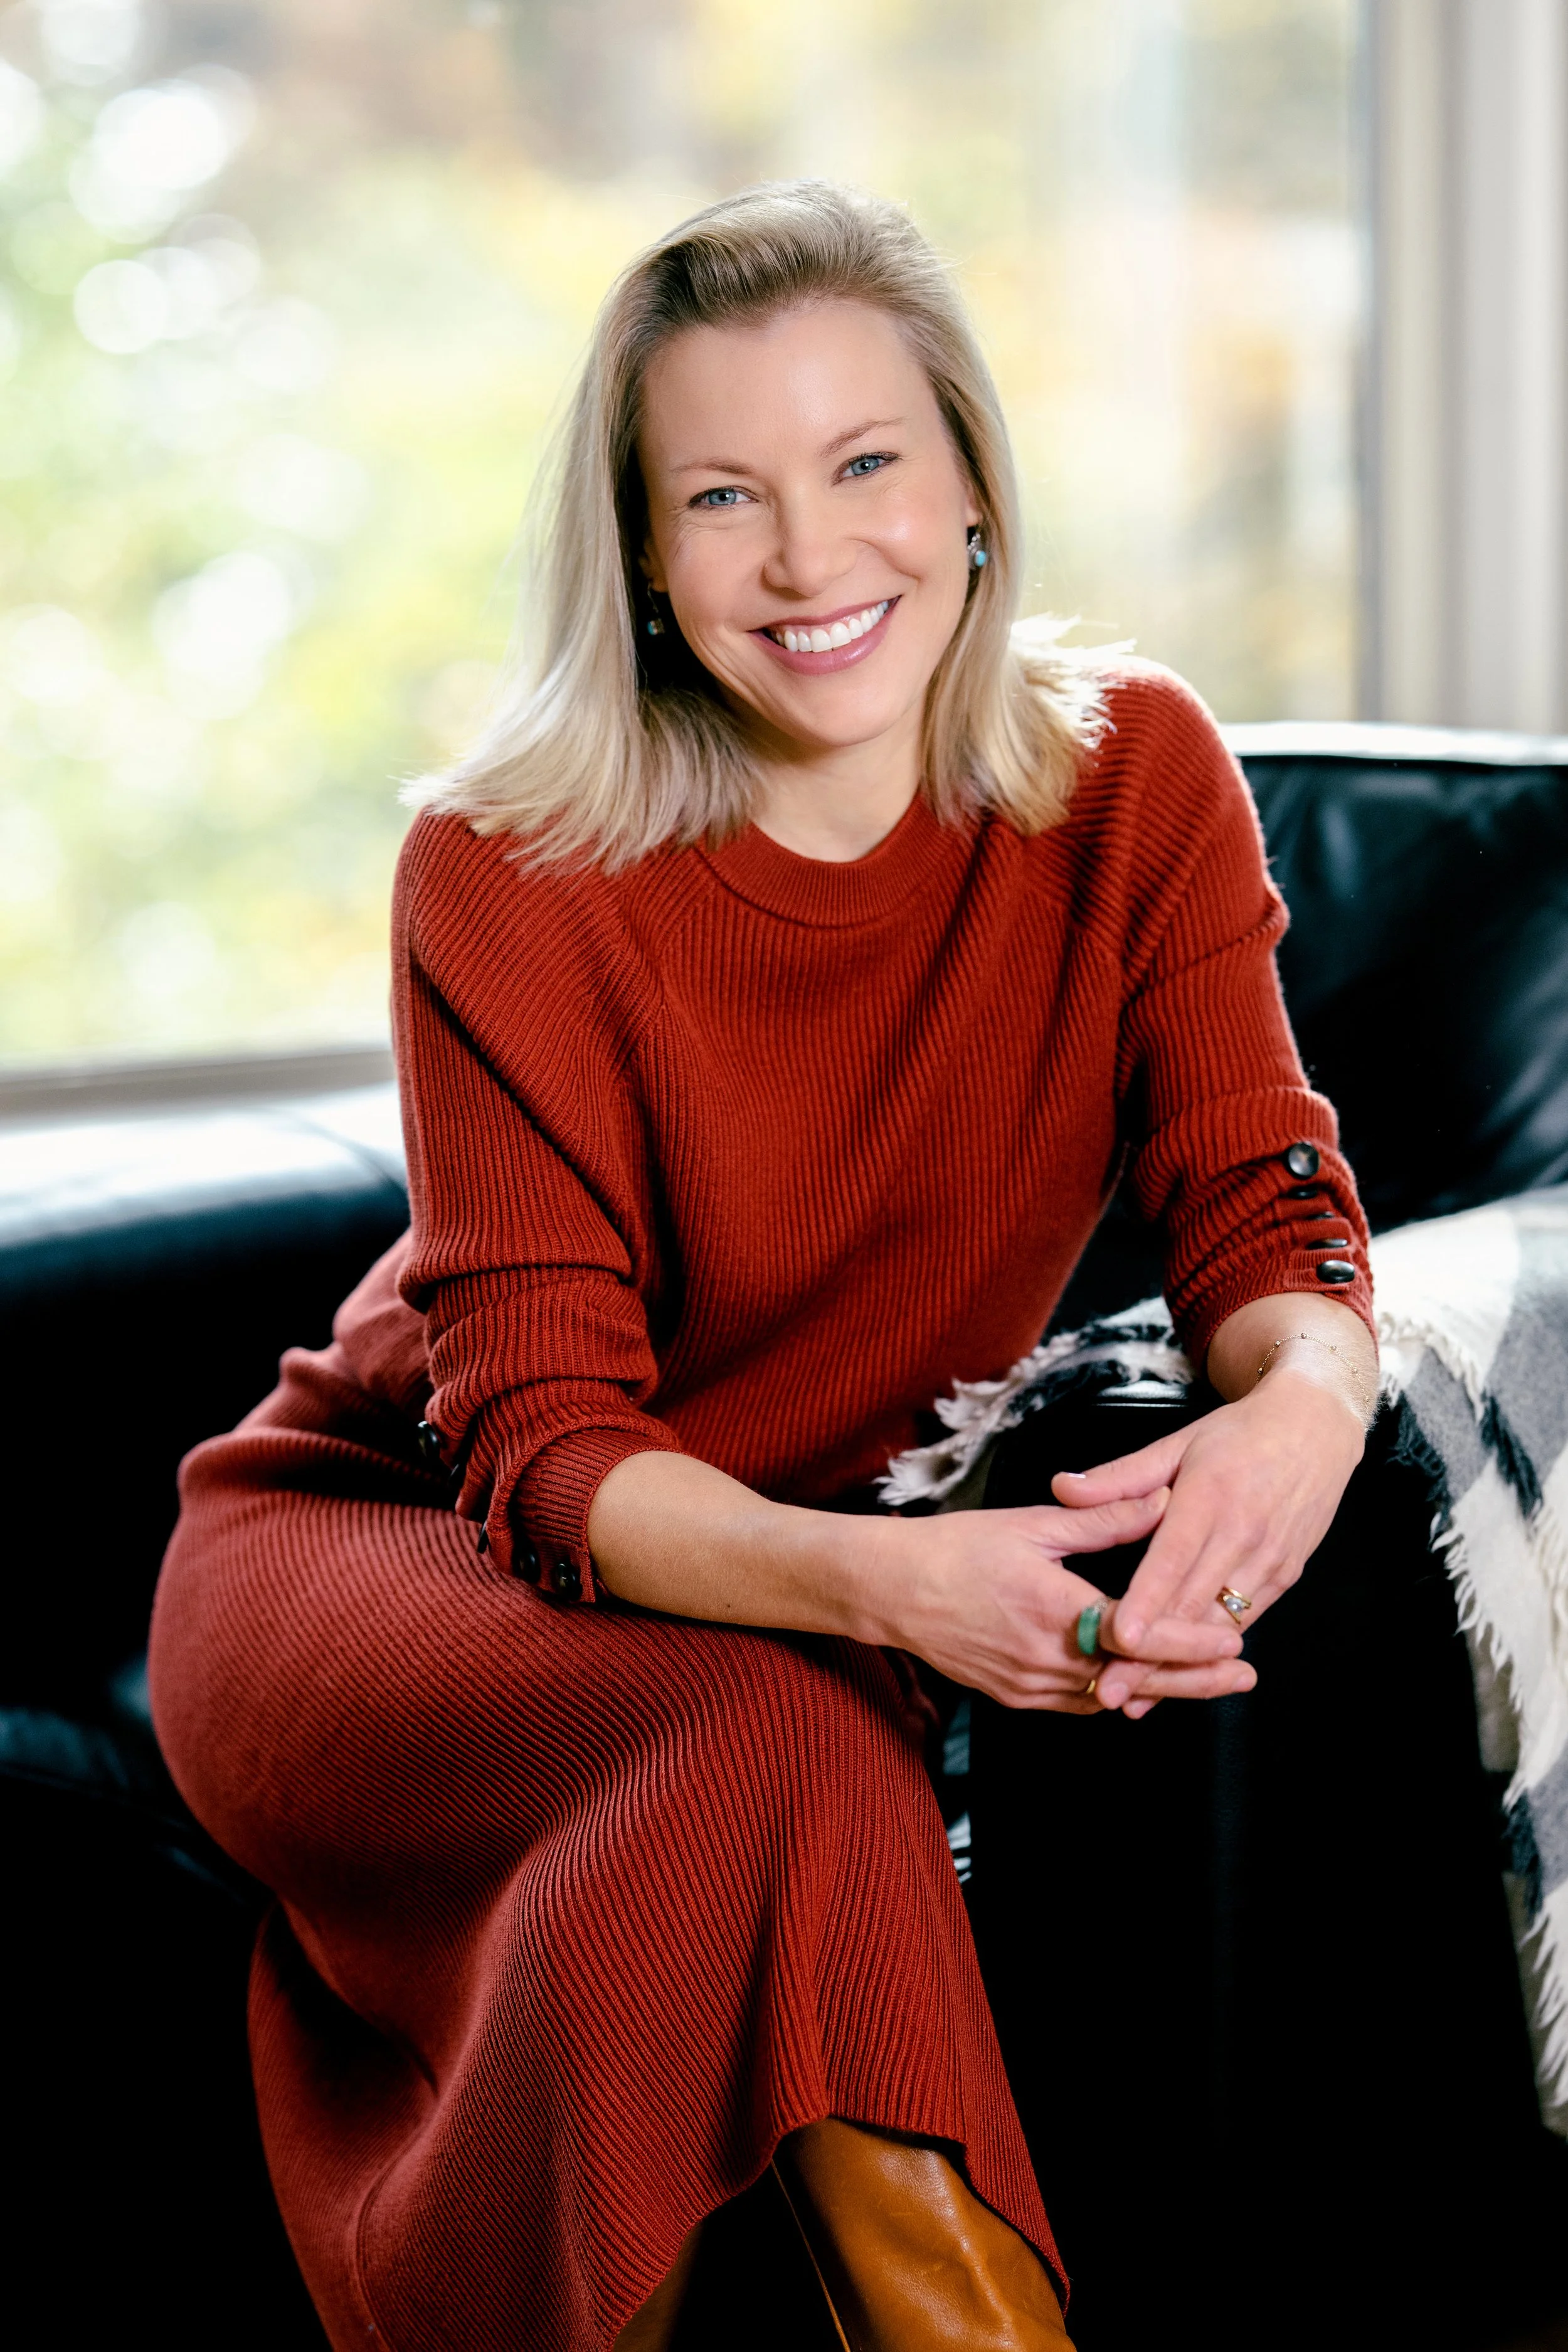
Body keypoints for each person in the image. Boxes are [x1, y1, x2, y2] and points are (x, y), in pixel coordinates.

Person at [149, 179, 1377, 2351]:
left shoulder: (1135, 782)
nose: (811, 559)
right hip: (381, 1555)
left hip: (735, 1624)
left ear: (975, 486)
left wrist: (1305, 1397)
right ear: (639, 552)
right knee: (798, 1752)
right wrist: (894, 1592)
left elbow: (1258, 1208)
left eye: (865, 463)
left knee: (757, 1771)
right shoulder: (506, 862)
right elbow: (534, 1445)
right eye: (722, 494)